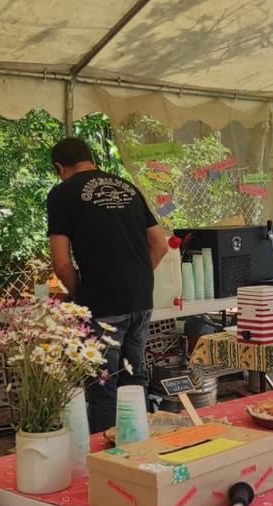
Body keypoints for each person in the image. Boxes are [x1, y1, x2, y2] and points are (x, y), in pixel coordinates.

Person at [47, 137, 168, 432]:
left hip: (102, 304)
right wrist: (138, 278)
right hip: (141, 301)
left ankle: (106, 455)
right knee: (134, 379)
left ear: (60, 168)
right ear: (91, 159)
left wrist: (79, 295)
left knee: (103, 386)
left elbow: (61, 263)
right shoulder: (127, 187)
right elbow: (160, 245)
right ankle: (140, 448)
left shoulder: (62, 194)